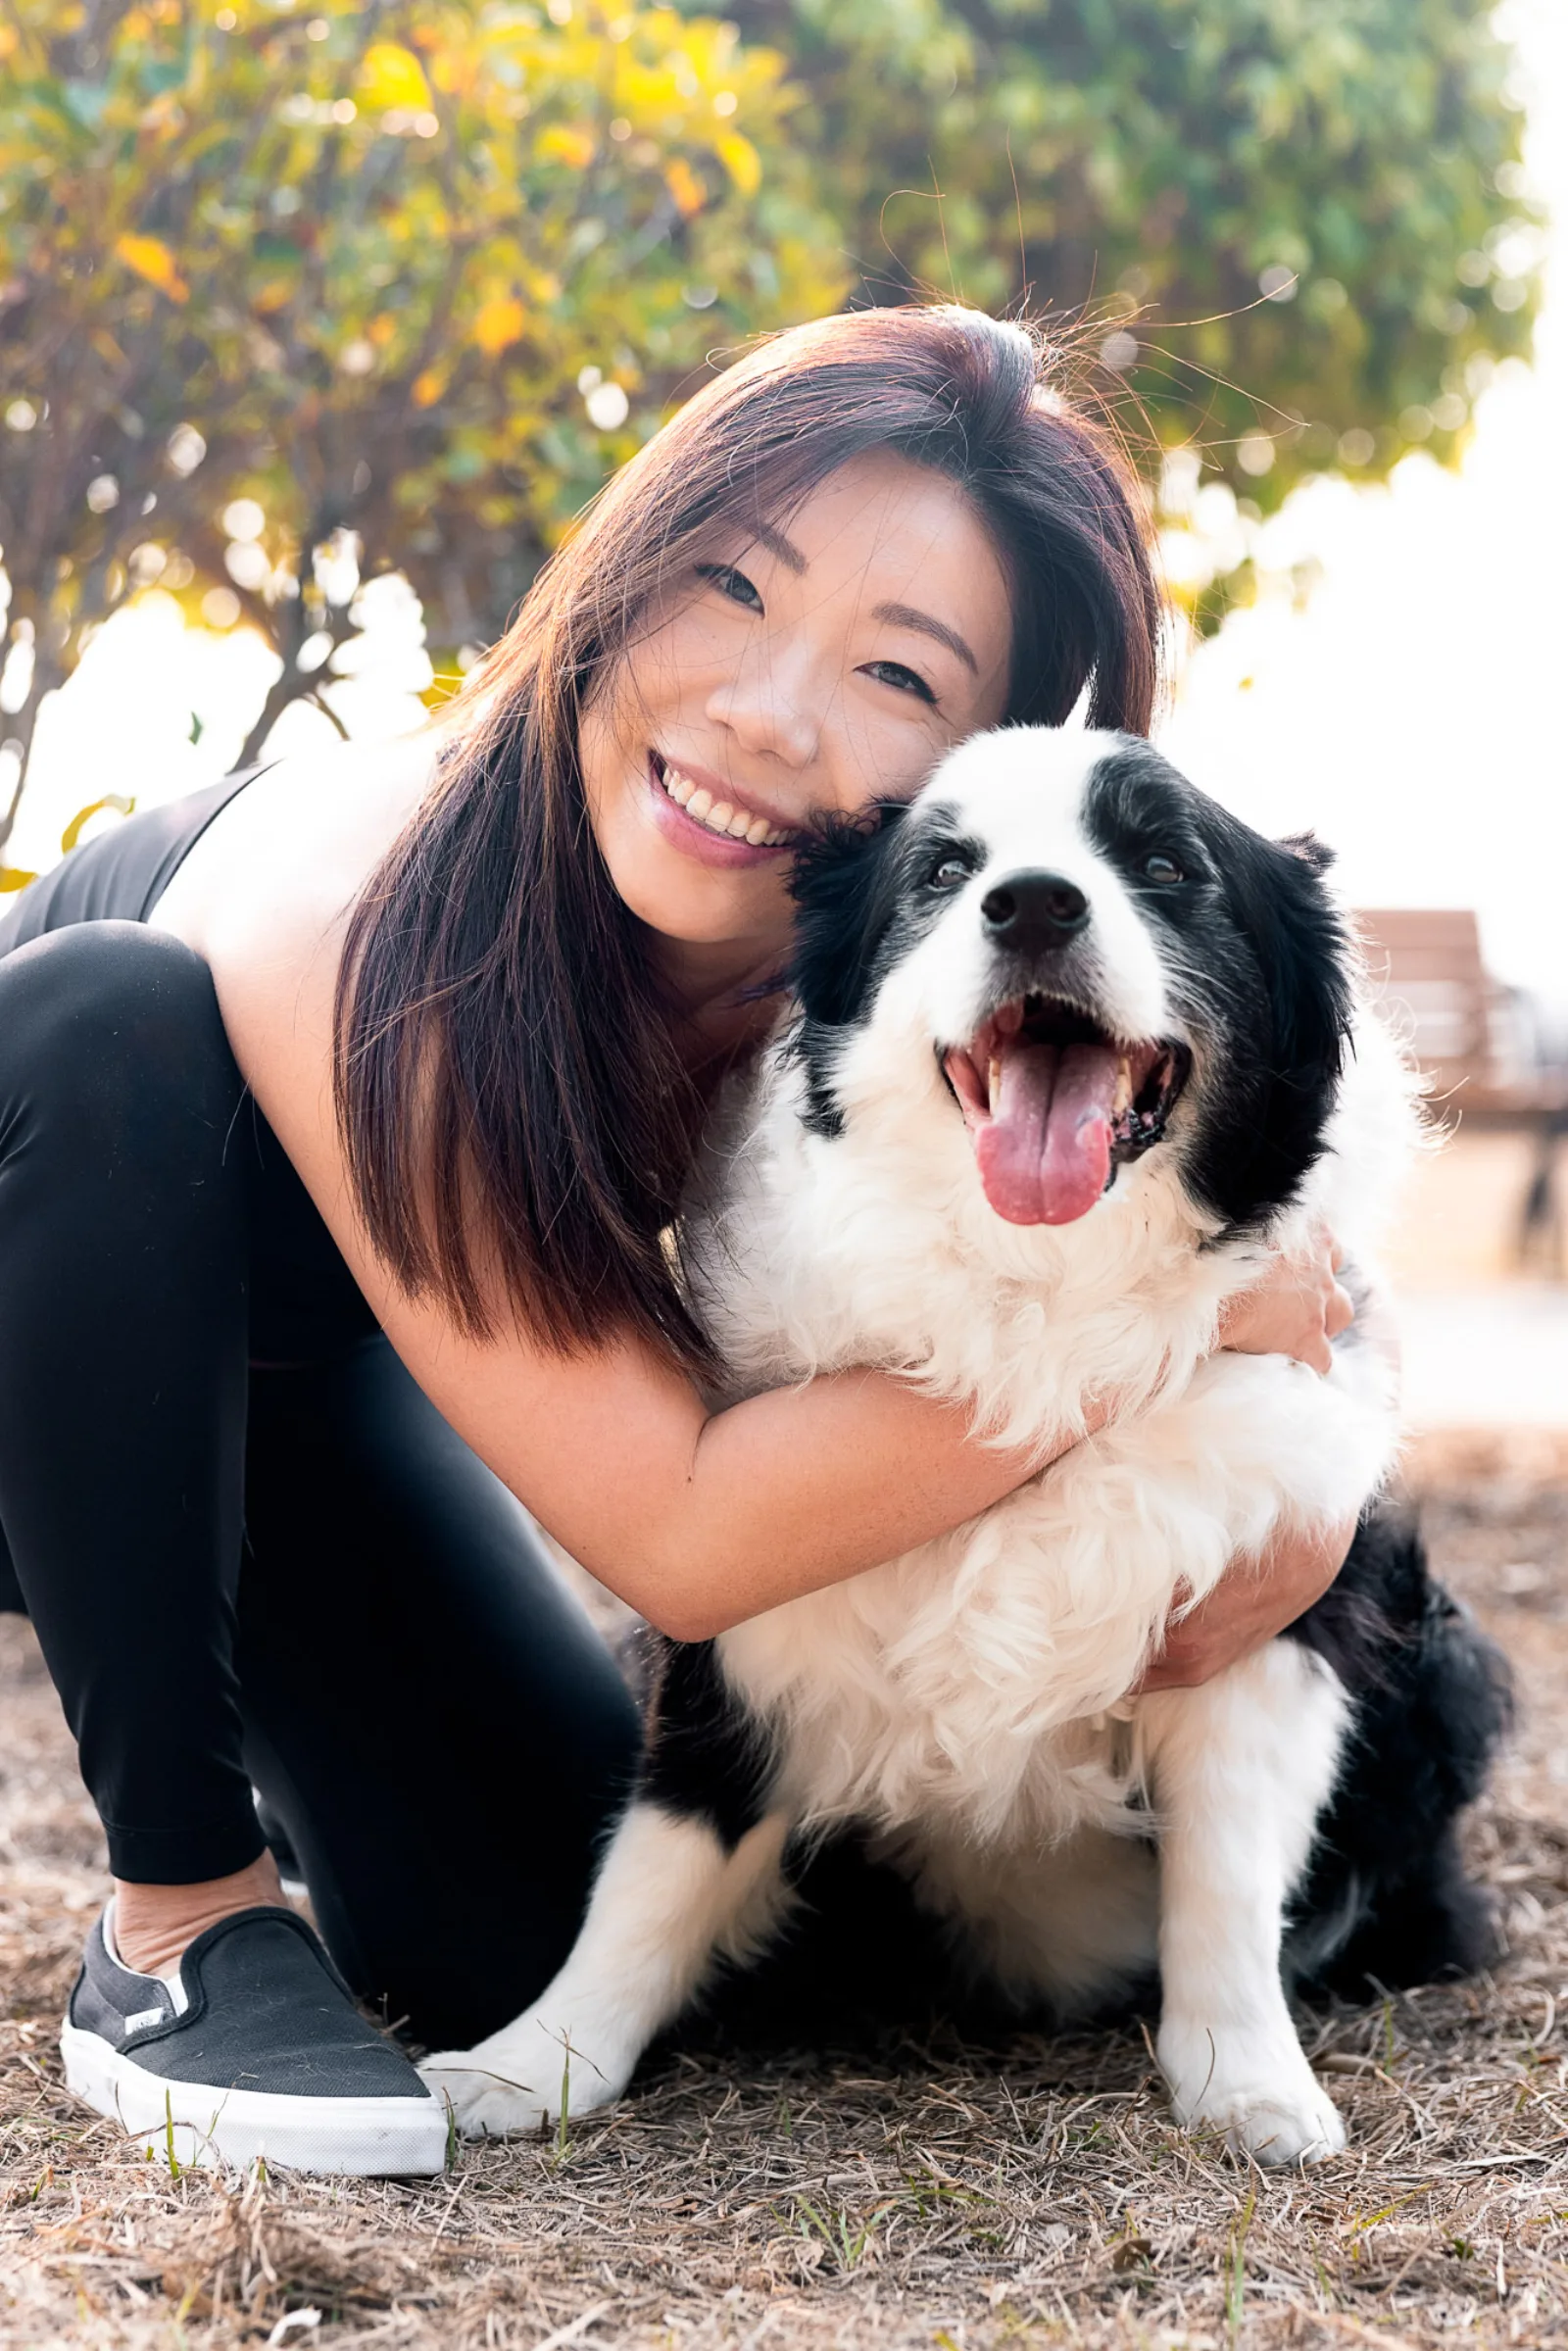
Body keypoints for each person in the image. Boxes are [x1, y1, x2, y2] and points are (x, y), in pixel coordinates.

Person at [0, 305, 1352, 2175]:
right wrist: (1174, 1319)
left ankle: (304, 1760)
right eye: (727, 583)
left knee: (502, 1930)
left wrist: (1265, 1416)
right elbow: (691, 1534)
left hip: (296, 1399)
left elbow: (1236, 1248)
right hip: (52, 1321)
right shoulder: (352, 896)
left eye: (897, 673)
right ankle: (177, 1921)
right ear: (622, 563)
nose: (767, 709)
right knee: (105, 1021)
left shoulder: (860, 997)